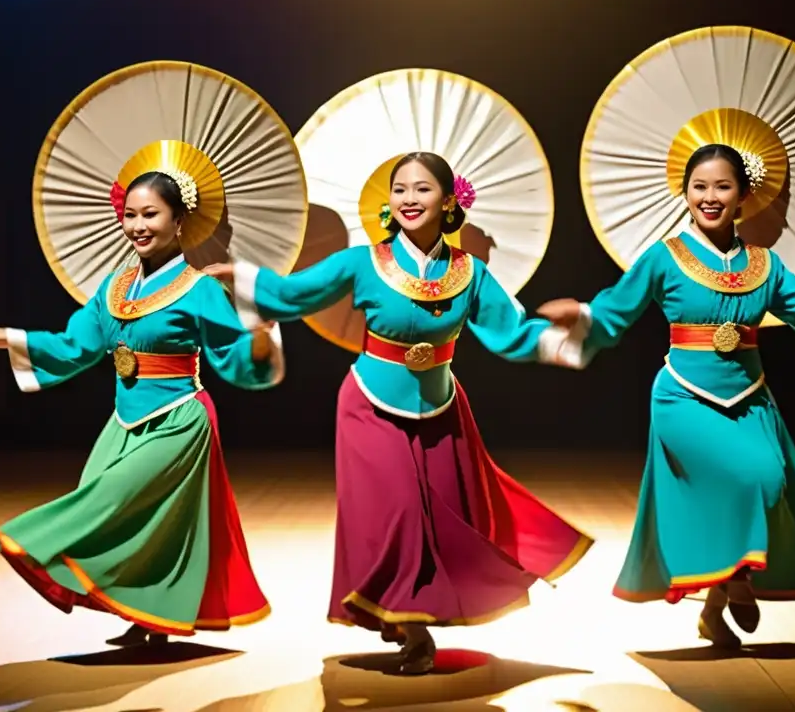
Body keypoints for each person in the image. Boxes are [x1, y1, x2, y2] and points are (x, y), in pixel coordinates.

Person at [205, 152, 593, 674]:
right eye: (400, 190)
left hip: (441, 405)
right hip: (369, 403)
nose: (409, 199)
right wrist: (241, 279)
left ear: (449, 200)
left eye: (422, 189)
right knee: (397, 515)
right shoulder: (361, 262)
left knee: (444, 520)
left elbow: (510, 332)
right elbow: (293, 294)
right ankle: (411, 626)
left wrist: (562, 335)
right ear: (387, 202)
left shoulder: (469, 274)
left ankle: (408, 613)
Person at [538, 143, 795, 648]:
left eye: (722, 186)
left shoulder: (764, 265)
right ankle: (737, 580)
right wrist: (582, 315)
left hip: (750, 396)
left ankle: (715, 606)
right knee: (741, 476)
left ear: (743, 196)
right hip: (682, 397)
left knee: (769, 480)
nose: (709, 196)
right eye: (699, 186)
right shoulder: (664, 257)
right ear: (684, 193)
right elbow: (616, 309)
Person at [0, 168, 284, 648]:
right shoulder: (116, 288)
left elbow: (230, 352)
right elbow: (75, 345)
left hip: (179, 419)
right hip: (124, 420)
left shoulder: (200, 289)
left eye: (151, 214)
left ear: (179, 222)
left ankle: (27, 540)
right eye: (130, 214)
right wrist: (8, 336)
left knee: (106, 502)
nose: (138, 225)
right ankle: (148, 615)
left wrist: (258, 346)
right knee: (137, 519)